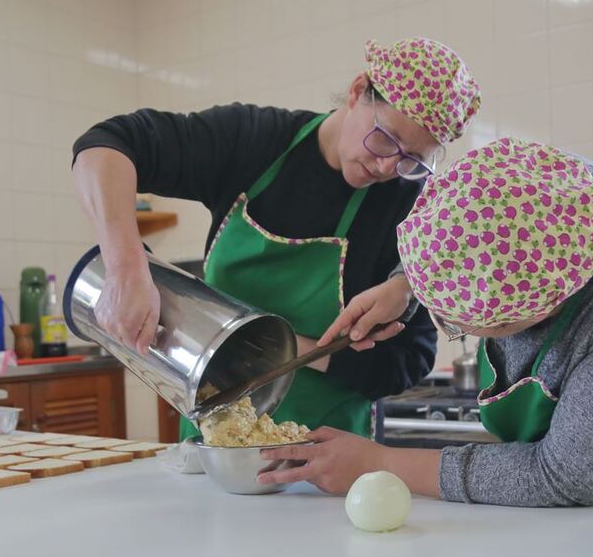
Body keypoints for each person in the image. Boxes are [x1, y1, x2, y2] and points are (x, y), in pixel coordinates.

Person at [258, 137, 593, 505]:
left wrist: (379, 464)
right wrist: (408, 285)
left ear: (543, 309)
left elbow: (563, 475)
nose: (458, 331)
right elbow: (467, 221)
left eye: (468, 328)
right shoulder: (545, 190)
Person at [72, 38, 481, 440]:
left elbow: (409, 361)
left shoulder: (410, 207)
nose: (387, 166)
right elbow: (105, 145)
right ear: (358, 91)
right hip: (215, 444)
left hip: (333, 455)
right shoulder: (254, 141)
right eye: (385, 138)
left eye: (411, 159)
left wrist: (278, 351)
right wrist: (126, 269)